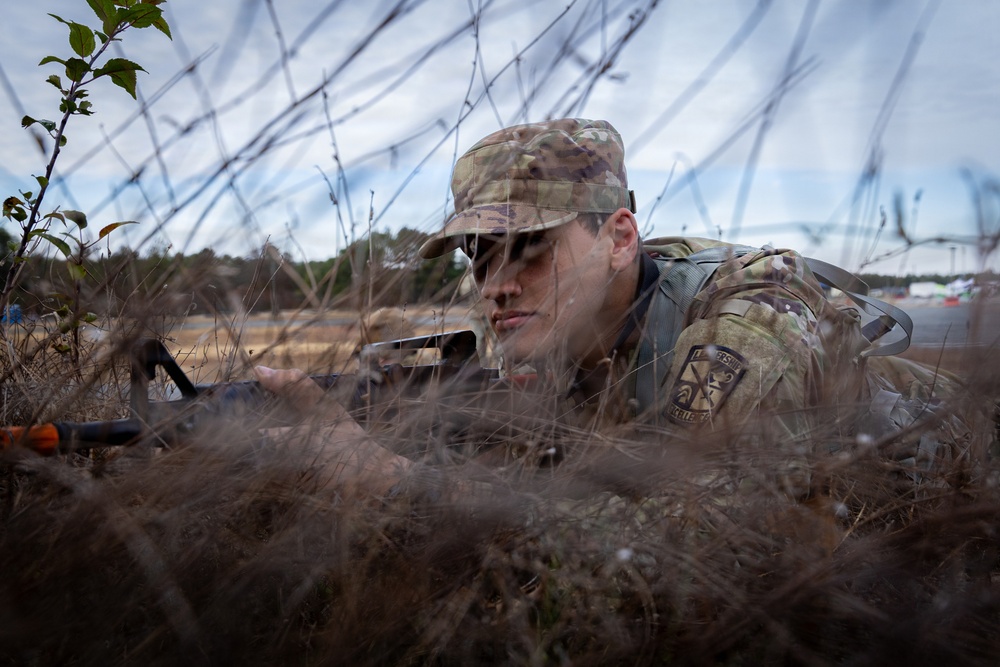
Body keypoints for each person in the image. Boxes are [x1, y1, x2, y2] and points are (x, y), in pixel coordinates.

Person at [255, 118, 960, 498]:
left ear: (620, 238)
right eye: (479, 255)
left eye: (529, 248)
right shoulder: (538, 332)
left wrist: (398, 482)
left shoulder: (749, 317)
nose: (496, 284)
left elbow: (688, 532)